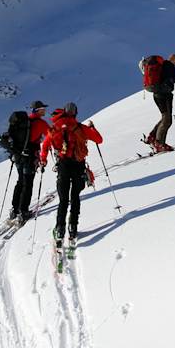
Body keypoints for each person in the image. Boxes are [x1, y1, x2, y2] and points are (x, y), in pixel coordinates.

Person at [39, 102, 103, 243]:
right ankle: (73, 227)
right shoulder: (80, 128)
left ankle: (60, 228)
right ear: (75, 113)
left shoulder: (54, 128)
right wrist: (92, 128)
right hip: (78, 165)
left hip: (63, 165)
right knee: (75, 197)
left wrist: (43, 159)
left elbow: (45, 145)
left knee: (63, 200)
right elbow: (99, 140)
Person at [143, 50, 175, 153]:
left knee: (165, 118)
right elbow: (174, 79)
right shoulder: (169, 66)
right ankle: (159, 144)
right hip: (164, 95)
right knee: (167, 120)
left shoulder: (165, 65)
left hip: (157, 94)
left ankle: (151, 137)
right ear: (174, 61)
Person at [10, 100, 51, 224]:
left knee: (20, 181)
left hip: (18, 156)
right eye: (42, 108)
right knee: (28, 183)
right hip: (30, 157)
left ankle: (15, 209)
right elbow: (51, 135)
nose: (45, 110)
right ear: (37, 110)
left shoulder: (24, 121)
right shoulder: (41, 123)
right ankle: (24, 211)